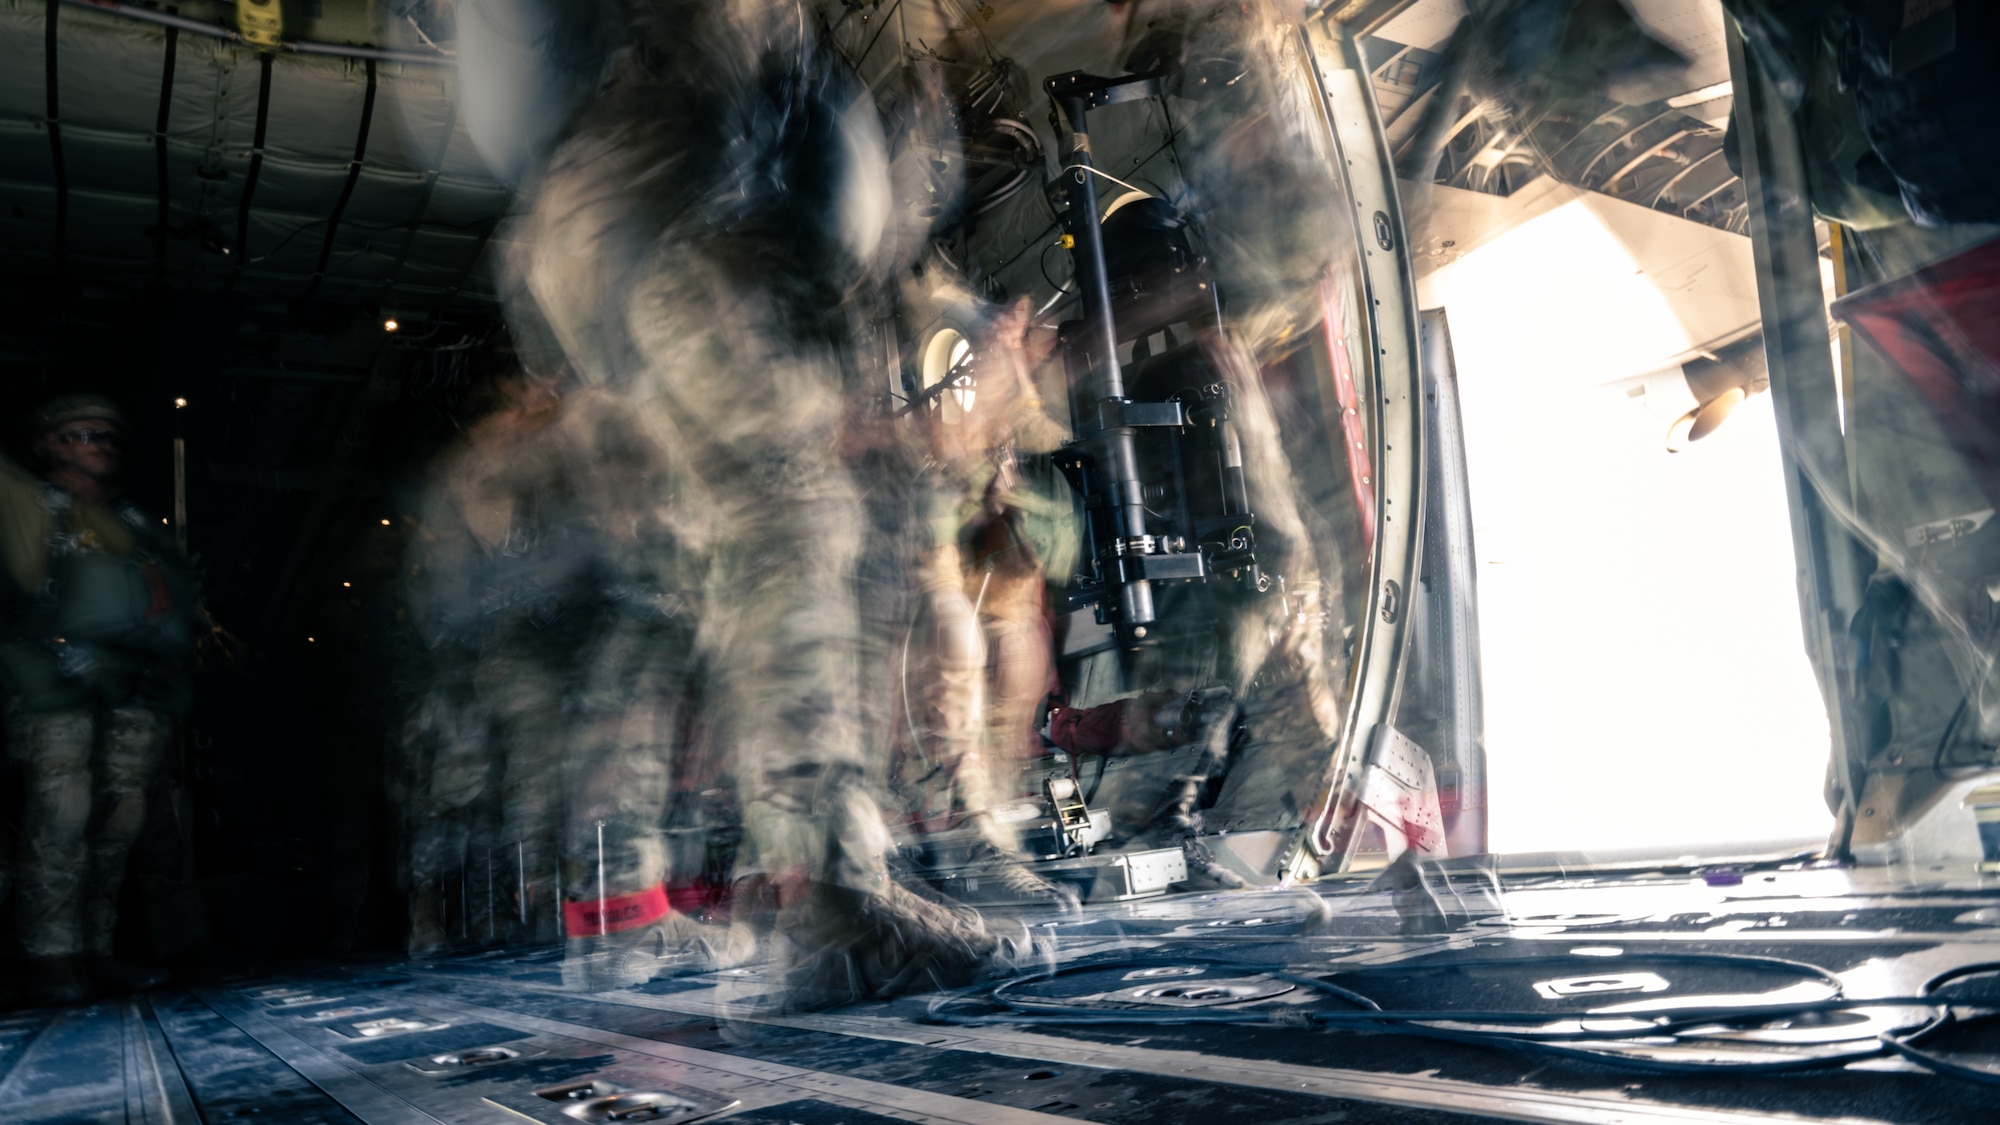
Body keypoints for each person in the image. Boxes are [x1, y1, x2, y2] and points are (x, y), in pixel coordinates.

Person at [0, 395, 198, 1003]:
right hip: (54, 678)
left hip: (132, 685)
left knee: (120, 820)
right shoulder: (30, 506)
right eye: (85, 435)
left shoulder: (130, 522)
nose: (101, 446)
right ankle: (50, 956)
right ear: (51, 444)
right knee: (61, 813)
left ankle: (96, 948)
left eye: (109, 437)